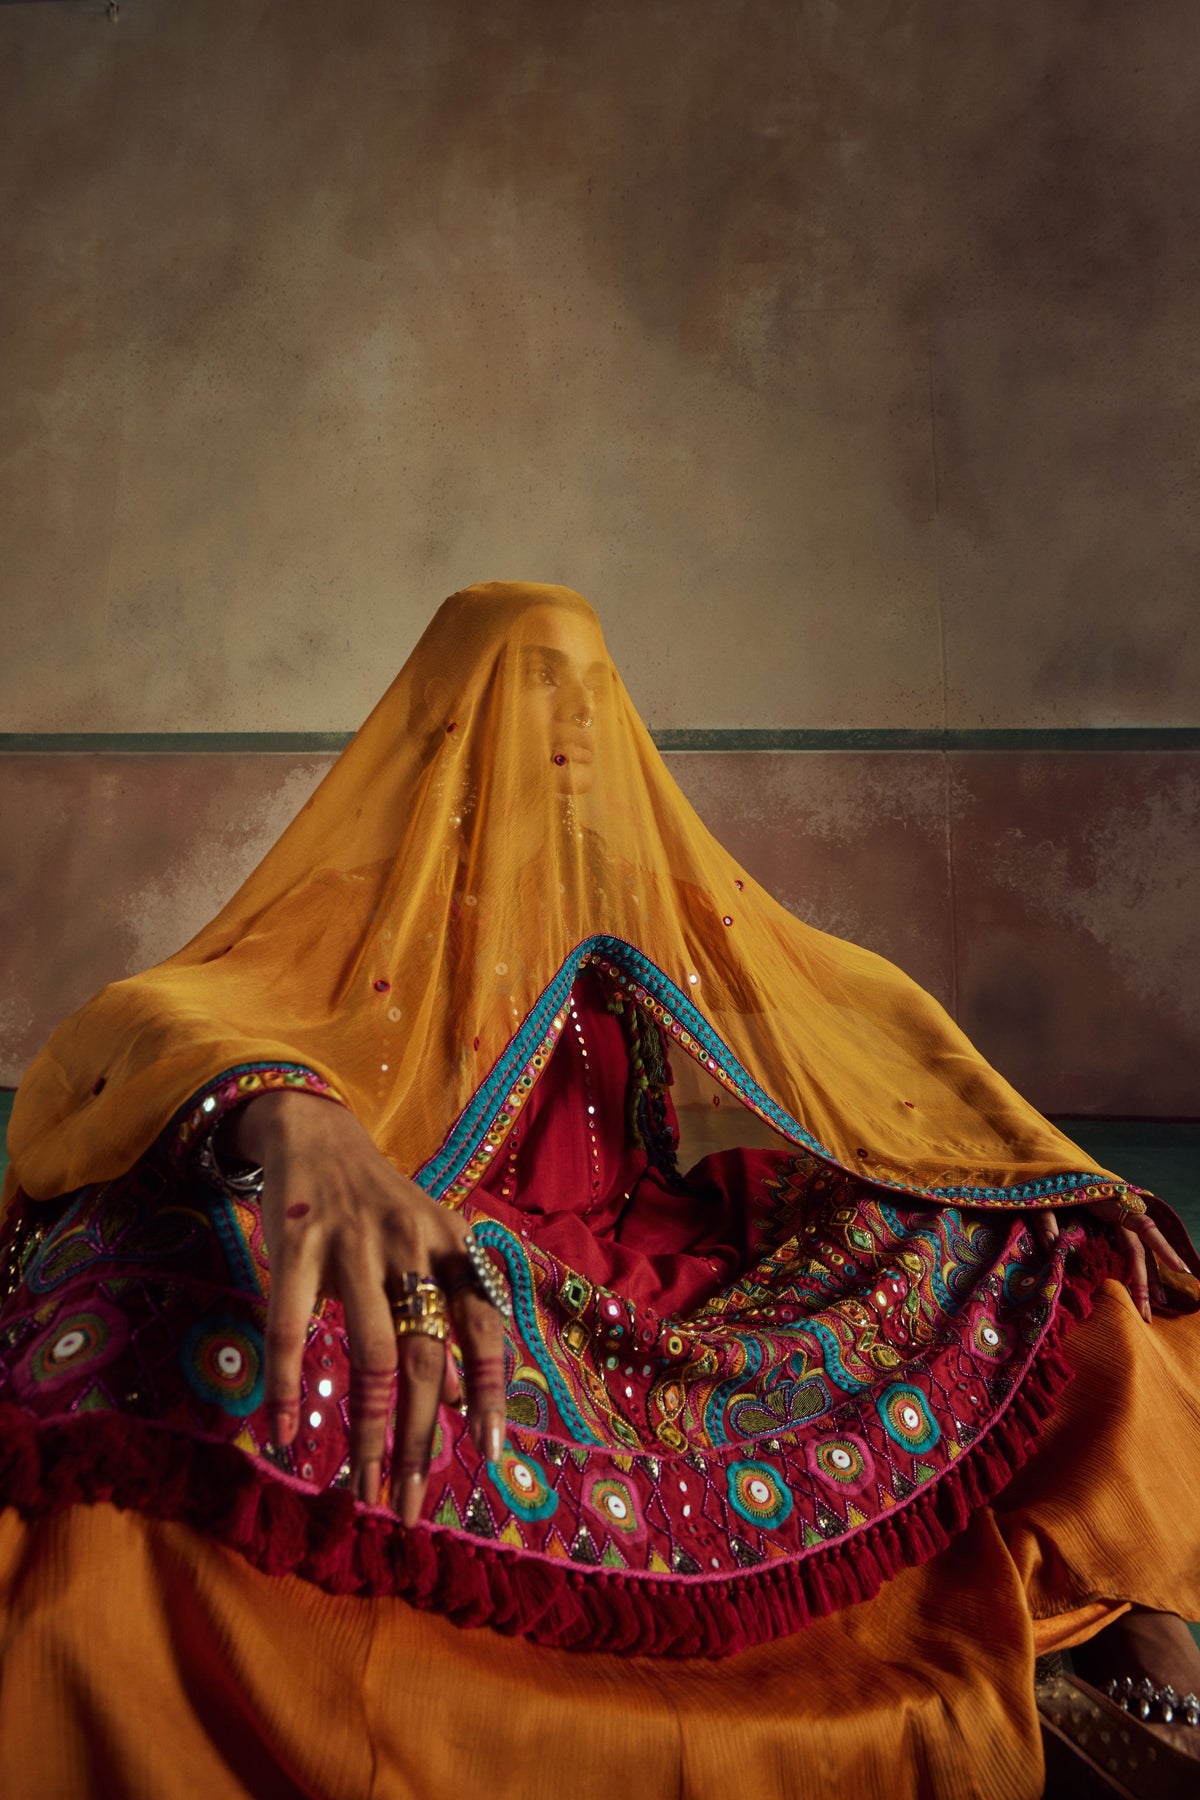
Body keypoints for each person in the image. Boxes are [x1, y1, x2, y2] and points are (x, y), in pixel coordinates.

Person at [1, 580, 1199, 1800]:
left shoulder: (636, 906)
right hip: (474, 1275)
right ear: (446, 723)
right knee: (190, 1273)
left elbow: (854, 1004)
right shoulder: (353, 912)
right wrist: (299, 1116)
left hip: (657, 1264)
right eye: (531, 687)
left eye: (589, 689)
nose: (567, 723)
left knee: (1030, 1246)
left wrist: (1024, 1155)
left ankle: (1131, 1599)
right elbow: (163, 1008)